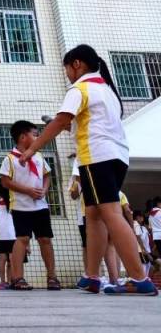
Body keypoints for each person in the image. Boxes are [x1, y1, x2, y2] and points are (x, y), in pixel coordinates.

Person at [20, 44, 157, 295]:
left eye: (66, 69)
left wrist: (32, 149)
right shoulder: (106, 90)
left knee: (110, 213)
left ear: (77, 64)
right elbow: (75, 124)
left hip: (96, 158)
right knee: (93, 214)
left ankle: (139, 278)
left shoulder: (79, 88)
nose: (67, 75)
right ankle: (92, 276)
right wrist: (59, 125)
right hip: (117, 156)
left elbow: (63, 120)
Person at [0, 120, 60, 291]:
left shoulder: (39, 156)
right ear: (22, 137)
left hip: (40, 206)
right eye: (35, 134)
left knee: (45, 239)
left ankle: (52, 277)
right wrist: (27, 190)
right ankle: (18, 278)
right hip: (20, 206)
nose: (38, 137)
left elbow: (47, 175)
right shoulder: (10, 158)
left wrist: (45, 189)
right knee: (22, 239)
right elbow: (5, 182)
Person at [0, 183, 16, 289]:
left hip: (1, 235)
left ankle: (3, 282)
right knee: (12, 259)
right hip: (12, 235)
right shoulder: (13, 203)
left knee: (2, 258)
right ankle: (13, 280)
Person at [133, 210, 153, 277]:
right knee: (144, 266)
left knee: (148, 265)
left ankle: (145, 279)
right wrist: (145, 251)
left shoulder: (143, 227)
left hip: (146, 249)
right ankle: (143, 280)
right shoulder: (136, 225)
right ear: (137, 217)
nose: (142, 219)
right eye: (141, 217)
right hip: (142, 250)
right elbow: (138, 239)